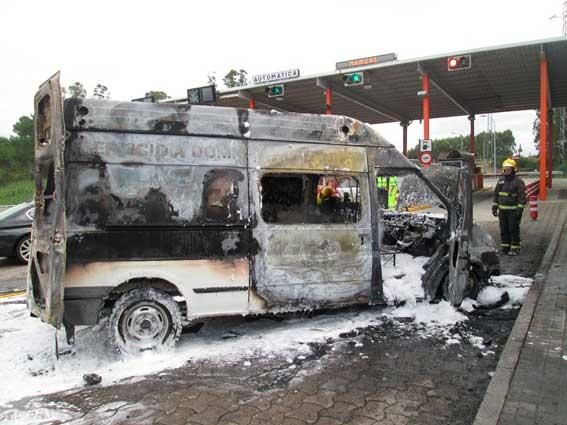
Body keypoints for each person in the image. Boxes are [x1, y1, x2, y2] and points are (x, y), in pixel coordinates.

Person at [492, 159, 526, 256]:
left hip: (513, 211)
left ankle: (515, 248)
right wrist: (494, 207)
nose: (506, 171)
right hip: (502, 211)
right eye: (505, 169)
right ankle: (505, 247)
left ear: (513, 169)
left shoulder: (518, 182)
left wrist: (519, 209)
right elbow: (496, 194)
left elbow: (522, 197)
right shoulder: (501, 181)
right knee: (503, 229)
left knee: (513, 229)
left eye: (508, 169)